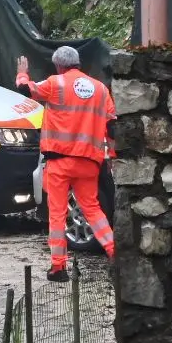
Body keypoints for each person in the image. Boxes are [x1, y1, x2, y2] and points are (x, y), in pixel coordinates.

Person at [16, 45, 117, 283]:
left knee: (58, 214)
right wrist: (111, 156)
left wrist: (22, 72)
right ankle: (115, 252)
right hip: (89, 161)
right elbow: (112, 126)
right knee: (92, 209)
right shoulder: (101, 89)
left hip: (60, 162)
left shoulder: (56, 83)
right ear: (77, 63)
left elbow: (25, 90)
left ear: (59, 65)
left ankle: (58, 267)